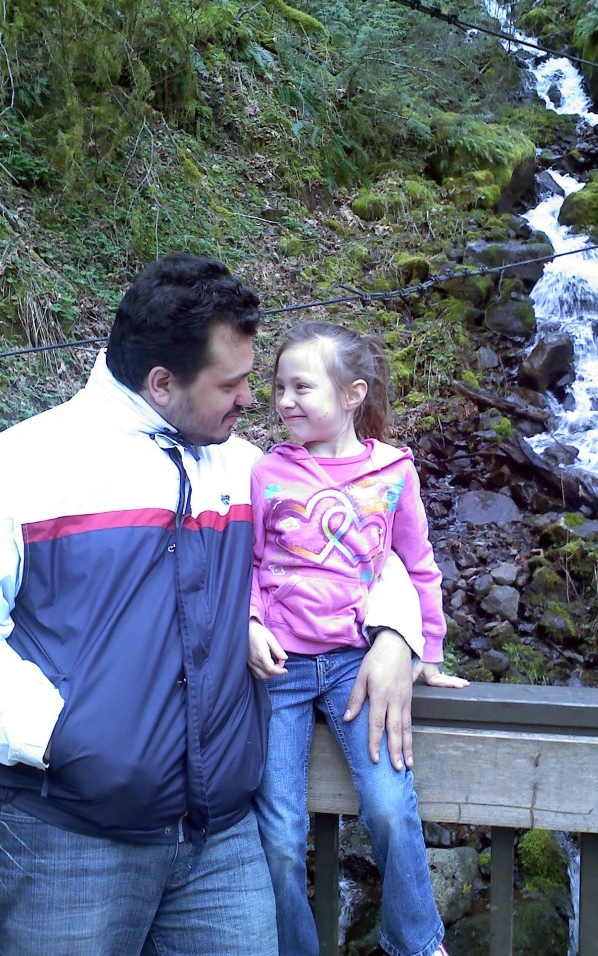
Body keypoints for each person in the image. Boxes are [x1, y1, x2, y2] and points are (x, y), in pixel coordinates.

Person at [0, 254, 421, 955]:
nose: (253, 399)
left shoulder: (246, 467)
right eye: (231, 383)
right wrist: (59, 738)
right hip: (68, 837)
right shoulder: (27, 465)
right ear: (162, 383)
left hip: (221, 844)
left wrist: (394, 634)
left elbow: (356, 543)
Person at [248, 320, 469, 956]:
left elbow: (417, 562)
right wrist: (253, 623)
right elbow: (249, 566)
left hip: (355, 664)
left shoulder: (395, 472)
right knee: (281, 836)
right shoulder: (267, 474)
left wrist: (427, 652)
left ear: (351, 395)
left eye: (302, 387)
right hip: (279, 670)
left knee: (391, 808)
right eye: (279, 387)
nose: (285, 400)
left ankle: (417, 942)